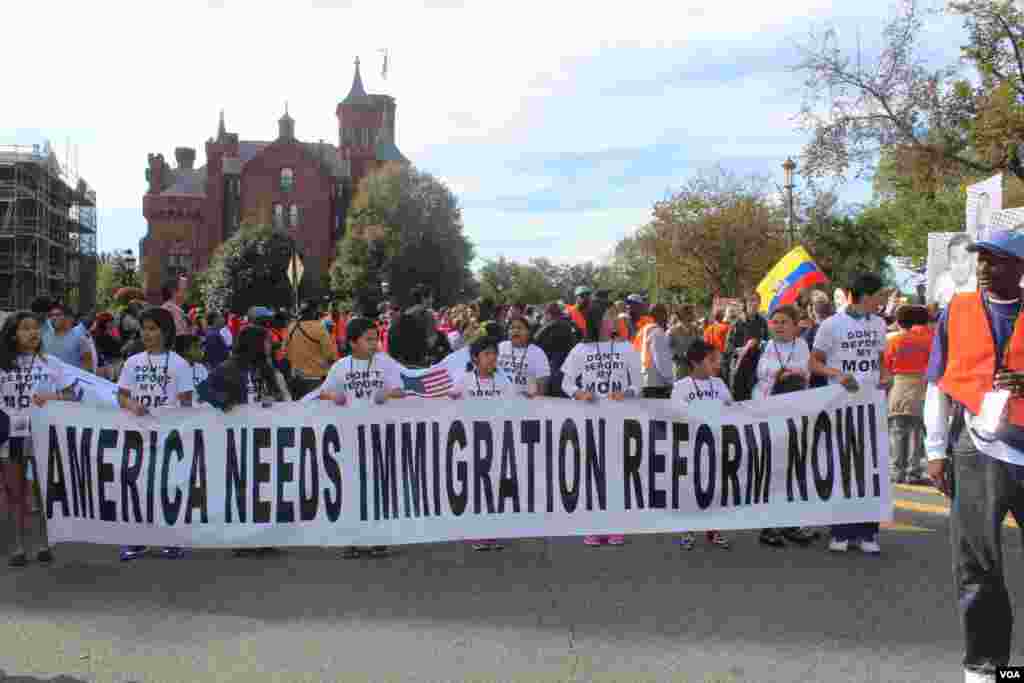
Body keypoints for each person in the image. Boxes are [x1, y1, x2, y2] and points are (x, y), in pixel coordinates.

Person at [922, 229, 1024, 683]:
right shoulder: (958, 311)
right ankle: (986, 668)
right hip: (976, 451)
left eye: (996, 260)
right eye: (981, 259)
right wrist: (936, 449)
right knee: (977, 565)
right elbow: (937, 384)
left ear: (1019, 268)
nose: (983, 268)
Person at [809, 273, 892, 554]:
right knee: (844, 466)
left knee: (871, 467)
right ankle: (842, 531)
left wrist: (885, 375)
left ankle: (868, 532)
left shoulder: (880, 324)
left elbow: (880, 359)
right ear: (864, 296)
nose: (882, 301)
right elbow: (814, 363)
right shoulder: (831, 325)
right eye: (879, 296)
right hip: (840, 405)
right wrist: (839, 375)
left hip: (871, 404)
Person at [197, 324, 292, 558]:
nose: (271, 345)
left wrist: (273, 400)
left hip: (264, 435)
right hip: (238, 437)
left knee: (264, 485)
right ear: (255, 344)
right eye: (267, 341)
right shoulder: (229, 367)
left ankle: (263, 535)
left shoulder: (265, 368)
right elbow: (204, 390)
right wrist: (224, 401)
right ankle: (243, 536)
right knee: (242, 487)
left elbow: (278, 397)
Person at [115, 307, 194, 562]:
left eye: (152, 329)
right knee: (137, 486)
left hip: (168, 436)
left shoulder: (180, 364)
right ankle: (137, 539)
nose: (147, 334)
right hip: (138, 434)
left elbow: (186, 403)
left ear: (165, 331)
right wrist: (131, 406)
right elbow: (122, 395)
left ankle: (171, 538)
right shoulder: (133, 362)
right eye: (144, 329)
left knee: (168, 487)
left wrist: (178, 427)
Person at [560, 299, 640, 547]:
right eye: (608, 316)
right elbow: (566, 383)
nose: (613, 320)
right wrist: (579, 393)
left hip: (619, 419)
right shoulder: (580, 350)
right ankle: (594, 525)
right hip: (589, 420)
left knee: (616, 472)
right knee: (592, 473)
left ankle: (616, 525)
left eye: (614, 316)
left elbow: (638, 384)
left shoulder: (626, 348)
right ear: (596, 320)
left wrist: (626, 393)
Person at [0, 311, 75, 567]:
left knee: (43, 492)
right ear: (12, 334)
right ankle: (18, 547)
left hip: (43, 435)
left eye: (36, 328)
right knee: (14, 493)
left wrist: (51, 398)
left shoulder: (51, 363)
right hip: (10, 437)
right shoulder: (2, 364)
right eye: (25, 328)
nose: (33, 333)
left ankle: (44, 544)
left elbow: (72, 395)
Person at [751, 305, 816, 548]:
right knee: (771, 469)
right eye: (775, 321)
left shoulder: (801, 346)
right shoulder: (766, 346)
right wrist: (778, 374)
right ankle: (768, 526)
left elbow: (806, 370)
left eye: (783, 322)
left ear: (795, 325)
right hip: (767, 413)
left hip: (794, 413)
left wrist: (791, 372)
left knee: (792, 469)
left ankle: (790, 523)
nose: (778, 325)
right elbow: (760, 373)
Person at [451, 335, 521, 551]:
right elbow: (448, 403)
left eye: (495, 354)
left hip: (496, 441)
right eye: (487, 354)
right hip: (470, 442)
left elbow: (514, 407)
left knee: (493, 486)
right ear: (475, 358)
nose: (492, 359)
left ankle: (492, 530)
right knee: (474, 487)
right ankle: (475, 531)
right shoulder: (464, 380)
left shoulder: (503, 381)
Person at [669, 339, 731, 550]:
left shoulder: (720, 384)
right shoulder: (680, 386)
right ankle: (688, 529)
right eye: (711, 360)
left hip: (716, 445)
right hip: (691, 446)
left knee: (714, 487)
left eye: (718, 360)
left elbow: (731, 408)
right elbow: (678, 414)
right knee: (690, 487)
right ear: (695, 363)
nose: (717, 364)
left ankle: (713, 529)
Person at [884, 305, 933, 485]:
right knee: (916, 431)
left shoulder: (894, 341)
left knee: (897, 430)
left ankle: (897, 471)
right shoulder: (928, 340)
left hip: (899, 385)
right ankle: (914, 472)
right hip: (921, 385)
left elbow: (886, 365)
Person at [285, 303, 338, 398]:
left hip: (296, 377)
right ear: (314, 313)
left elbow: (285, 351)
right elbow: (330, 354)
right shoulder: (319, 328)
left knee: (299, 409)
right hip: (316, 378)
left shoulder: (291, 327)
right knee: (317, 409)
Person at [534, 303, 579, 397]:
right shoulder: (571, 325)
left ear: (549, 314)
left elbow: (535, 345)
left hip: (551, 369)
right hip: (568, 370)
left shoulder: (547, 327)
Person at [498, 315, 549, 398]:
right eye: (512, 328)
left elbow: (542, 385)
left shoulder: (537, 352)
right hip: (499, 399)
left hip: (526, 403)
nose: (515, 331)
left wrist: (533, 400)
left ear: (528, 332)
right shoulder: (501, 347)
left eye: (519, 328)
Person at [724, 292, 770, 383]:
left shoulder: (763, 322)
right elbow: (728, 347)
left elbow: (767, 341)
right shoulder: (737, 323)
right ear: (746, 303)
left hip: (758, 366)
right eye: (752, 300)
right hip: (740, 367)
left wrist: (762, 345)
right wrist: (739, 350)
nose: (755, 303)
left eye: (757, 301)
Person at [47, 302, 95, 372]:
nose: (54, 318)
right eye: (51, 315)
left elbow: (88, 366)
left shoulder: (79, 338)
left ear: (67, 317)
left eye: (58, 315)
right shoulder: (45, 338)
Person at [934, 233, 979, 308]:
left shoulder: (977, 282)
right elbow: (934, 306)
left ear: (972, 260)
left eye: (965, 258)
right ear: (948, 262)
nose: (959, 265)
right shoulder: (942, 281)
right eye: (954, 259)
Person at [639, 304, 674, 398]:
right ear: (659, 314)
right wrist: (670, 380)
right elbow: (661, 360)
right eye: (665, 313)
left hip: (646, 379)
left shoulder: (645, 329)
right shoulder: (657, 332)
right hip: (658, 383)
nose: (667, 316)